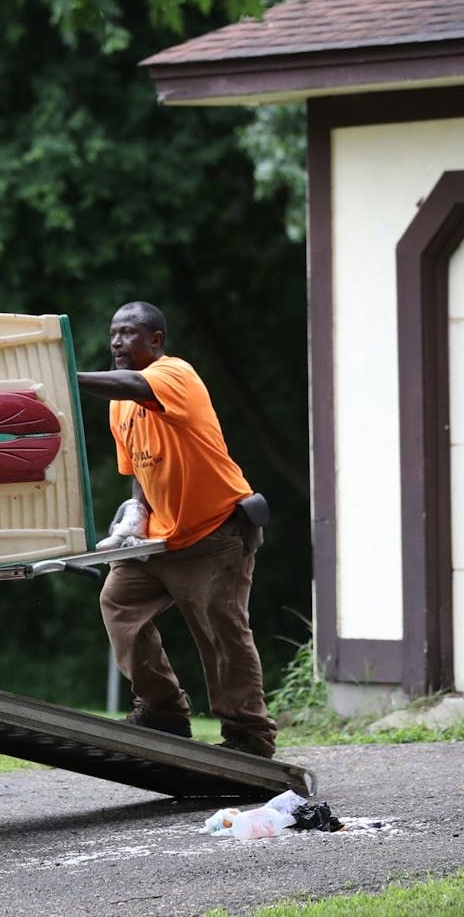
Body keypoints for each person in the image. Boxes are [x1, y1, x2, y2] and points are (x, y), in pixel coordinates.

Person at [76, 300, 277, 758]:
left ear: (156, 340)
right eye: (113, 334)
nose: (116, 342)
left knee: (220, 633)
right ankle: (163, 709)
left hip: (214, 534)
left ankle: (248, 734)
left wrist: (66, 377)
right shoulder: (120, 408)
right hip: (160, 539)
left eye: (128, 333)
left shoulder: (175, 375)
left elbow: (131, 383)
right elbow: (139, 466)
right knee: (119, 602)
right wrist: (137, 513)